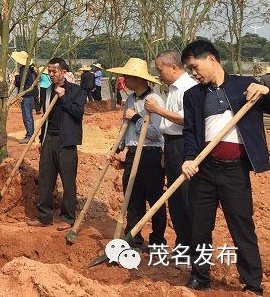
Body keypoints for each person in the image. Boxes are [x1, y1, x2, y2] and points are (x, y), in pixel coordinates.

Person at [181, 39, 270, 293]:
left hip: (235, 171)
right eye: (190, 70)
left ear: (211, 59)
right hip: (204, 170)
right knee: (199, 226)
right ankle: (200, 277)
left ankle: (252, 283)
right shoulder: (193, 96)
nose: (194, 74)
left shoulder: (245, 87)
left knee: (242, 227)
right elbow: (189, 133)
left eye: (195, 67)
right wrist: (189, 158)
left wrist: (265, 87)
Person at [108, 58, 166, 249]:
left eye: (128, 76)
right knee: (132, 198)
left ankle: (158, 240)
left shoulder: (155, 101)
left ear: (139, 79)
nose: (124, 79)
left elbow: (155, 132)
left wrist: (137, 118)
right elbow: (125, 127)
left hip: (150, 155)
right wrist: (117, 147)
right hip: (133, 154)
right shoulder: (131, 99)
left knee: (154, 199)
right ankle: (133, 238)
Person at [28, 58, 86, 230]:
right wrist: (41, 139)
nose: (51, 75)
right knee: (45, 179)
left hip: (67, 142)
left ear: (63, 72)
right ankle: (44, 216)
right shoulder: (46, 91)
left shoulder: (75, 90)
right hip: (49, 139)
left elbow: (78, 113)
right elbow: (45, 118)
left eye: (55, 71)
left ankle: (68, 218)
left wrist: (63, 97)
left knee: (68, 181)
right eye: (49, 72)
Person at [148, 50, 196, 252]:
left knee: (185, 197)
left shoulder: (188, 88)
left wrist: (158, 111)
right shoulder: (173, 89)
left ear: (173, 67)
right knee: (175, 199)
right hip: (171, 145)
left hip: (183, 144)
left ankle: (193, 247)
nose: (159, 74)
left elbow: (188, 119)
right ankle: (182, 243)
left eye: (160, 70)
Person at [12, 52, 37, 143]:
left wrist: (16, 76)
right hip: (30, 95)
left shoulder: (24, 69)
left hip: (27, 96)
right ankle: (30, 135)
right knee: (28, 116)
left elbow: (21, 81)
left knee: (27, 116)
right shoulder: (30, 69)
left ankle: (30, 136)